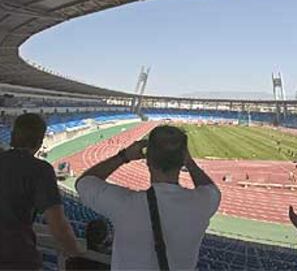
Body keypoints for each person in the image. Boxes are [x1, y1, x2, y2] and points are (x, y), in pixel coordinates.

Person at [76, 125, 221, 270]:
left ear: (148, 160)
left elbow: (84, 183)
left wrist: (124, 156)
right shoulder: (203, 203)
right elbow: (211, 189)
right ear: (183, 157)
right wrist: (189, 163)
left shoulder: (123, 204)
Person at [0, 113, 80, 270]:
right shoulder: (40, 170)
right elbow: (57, 225)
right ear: (40, 141)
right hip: (16, 258)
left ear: (13, 135)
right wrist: (76, 253)